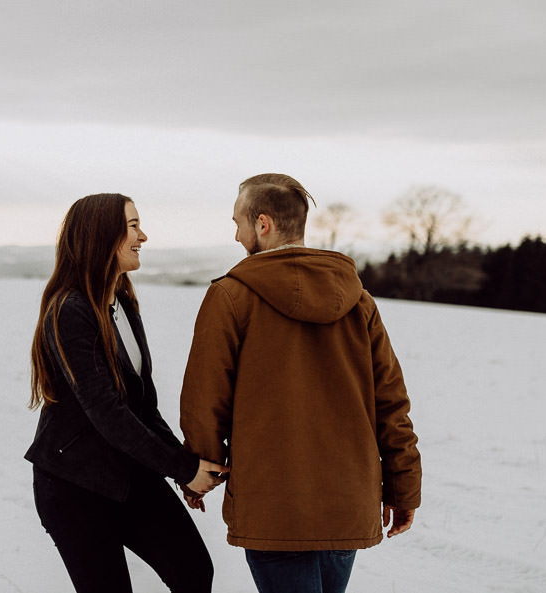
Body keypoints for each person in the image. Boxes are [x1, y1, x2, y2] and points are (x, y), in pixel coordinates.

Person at [179, 174, 422, 593]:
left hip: (273, 503)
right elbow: (391, 405)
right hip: (347, 499)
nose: (236, 235)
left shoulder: (230, 297)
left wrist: (198, 469)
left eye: (238, 222)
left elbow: (205, 400)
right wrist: (404, 487)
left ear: (263, 224)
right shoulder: (359, 300)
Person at [26, 193, 226, 593]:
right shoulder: (70, 310)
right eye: (134, 226)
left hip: (129, 475)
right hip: (74, 487)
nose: (144, 236)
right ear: (104, 235)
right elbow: (107, 412)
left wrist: (183, 466)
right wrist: (182, 468)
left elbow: (142, 407)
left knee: (194, 571)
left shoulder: (120, 301)